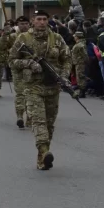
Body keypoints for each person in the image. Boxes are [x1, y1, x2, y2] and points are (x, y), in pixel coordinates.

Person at [9, 10, 71, 171]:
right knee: (38, 121)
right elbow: (12, 60)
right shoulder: (23, 39)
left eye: (45, 19)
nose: (42, 22)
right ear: (32, 21)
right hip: (33, 87)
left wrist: (64, 77)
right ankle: (44, 151)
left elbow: (66, 59)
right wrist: (28, 63)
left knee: (49, 124)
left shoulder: (56, 39)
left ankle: (42, 158)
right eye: (39, 19)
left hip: (52, 87)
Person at [11, 16, 30, 128]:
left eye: (26, 23)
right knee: (20, 93)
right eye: (21, 23)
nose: (24, 26)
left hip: (31, 69)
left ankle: (30, 116)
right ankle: (19, 115)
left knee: (30, 93)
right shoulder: (13, 37)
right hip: (17, 68)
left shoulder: (32, 36)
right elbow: (3, 48)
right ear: (18, 24)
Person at [71, 31, 89, 97]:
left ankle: (82, 91)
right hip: (78, 62)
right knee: (79, 76)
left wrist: (86, 61)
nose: (74, 38)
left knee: (80, 76)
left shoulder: (80, 45)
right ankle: (81, 90)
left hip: (80, 62)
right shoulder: (79, 44)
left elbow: (85, 54)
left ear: (77, 37)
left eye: (75, 37)